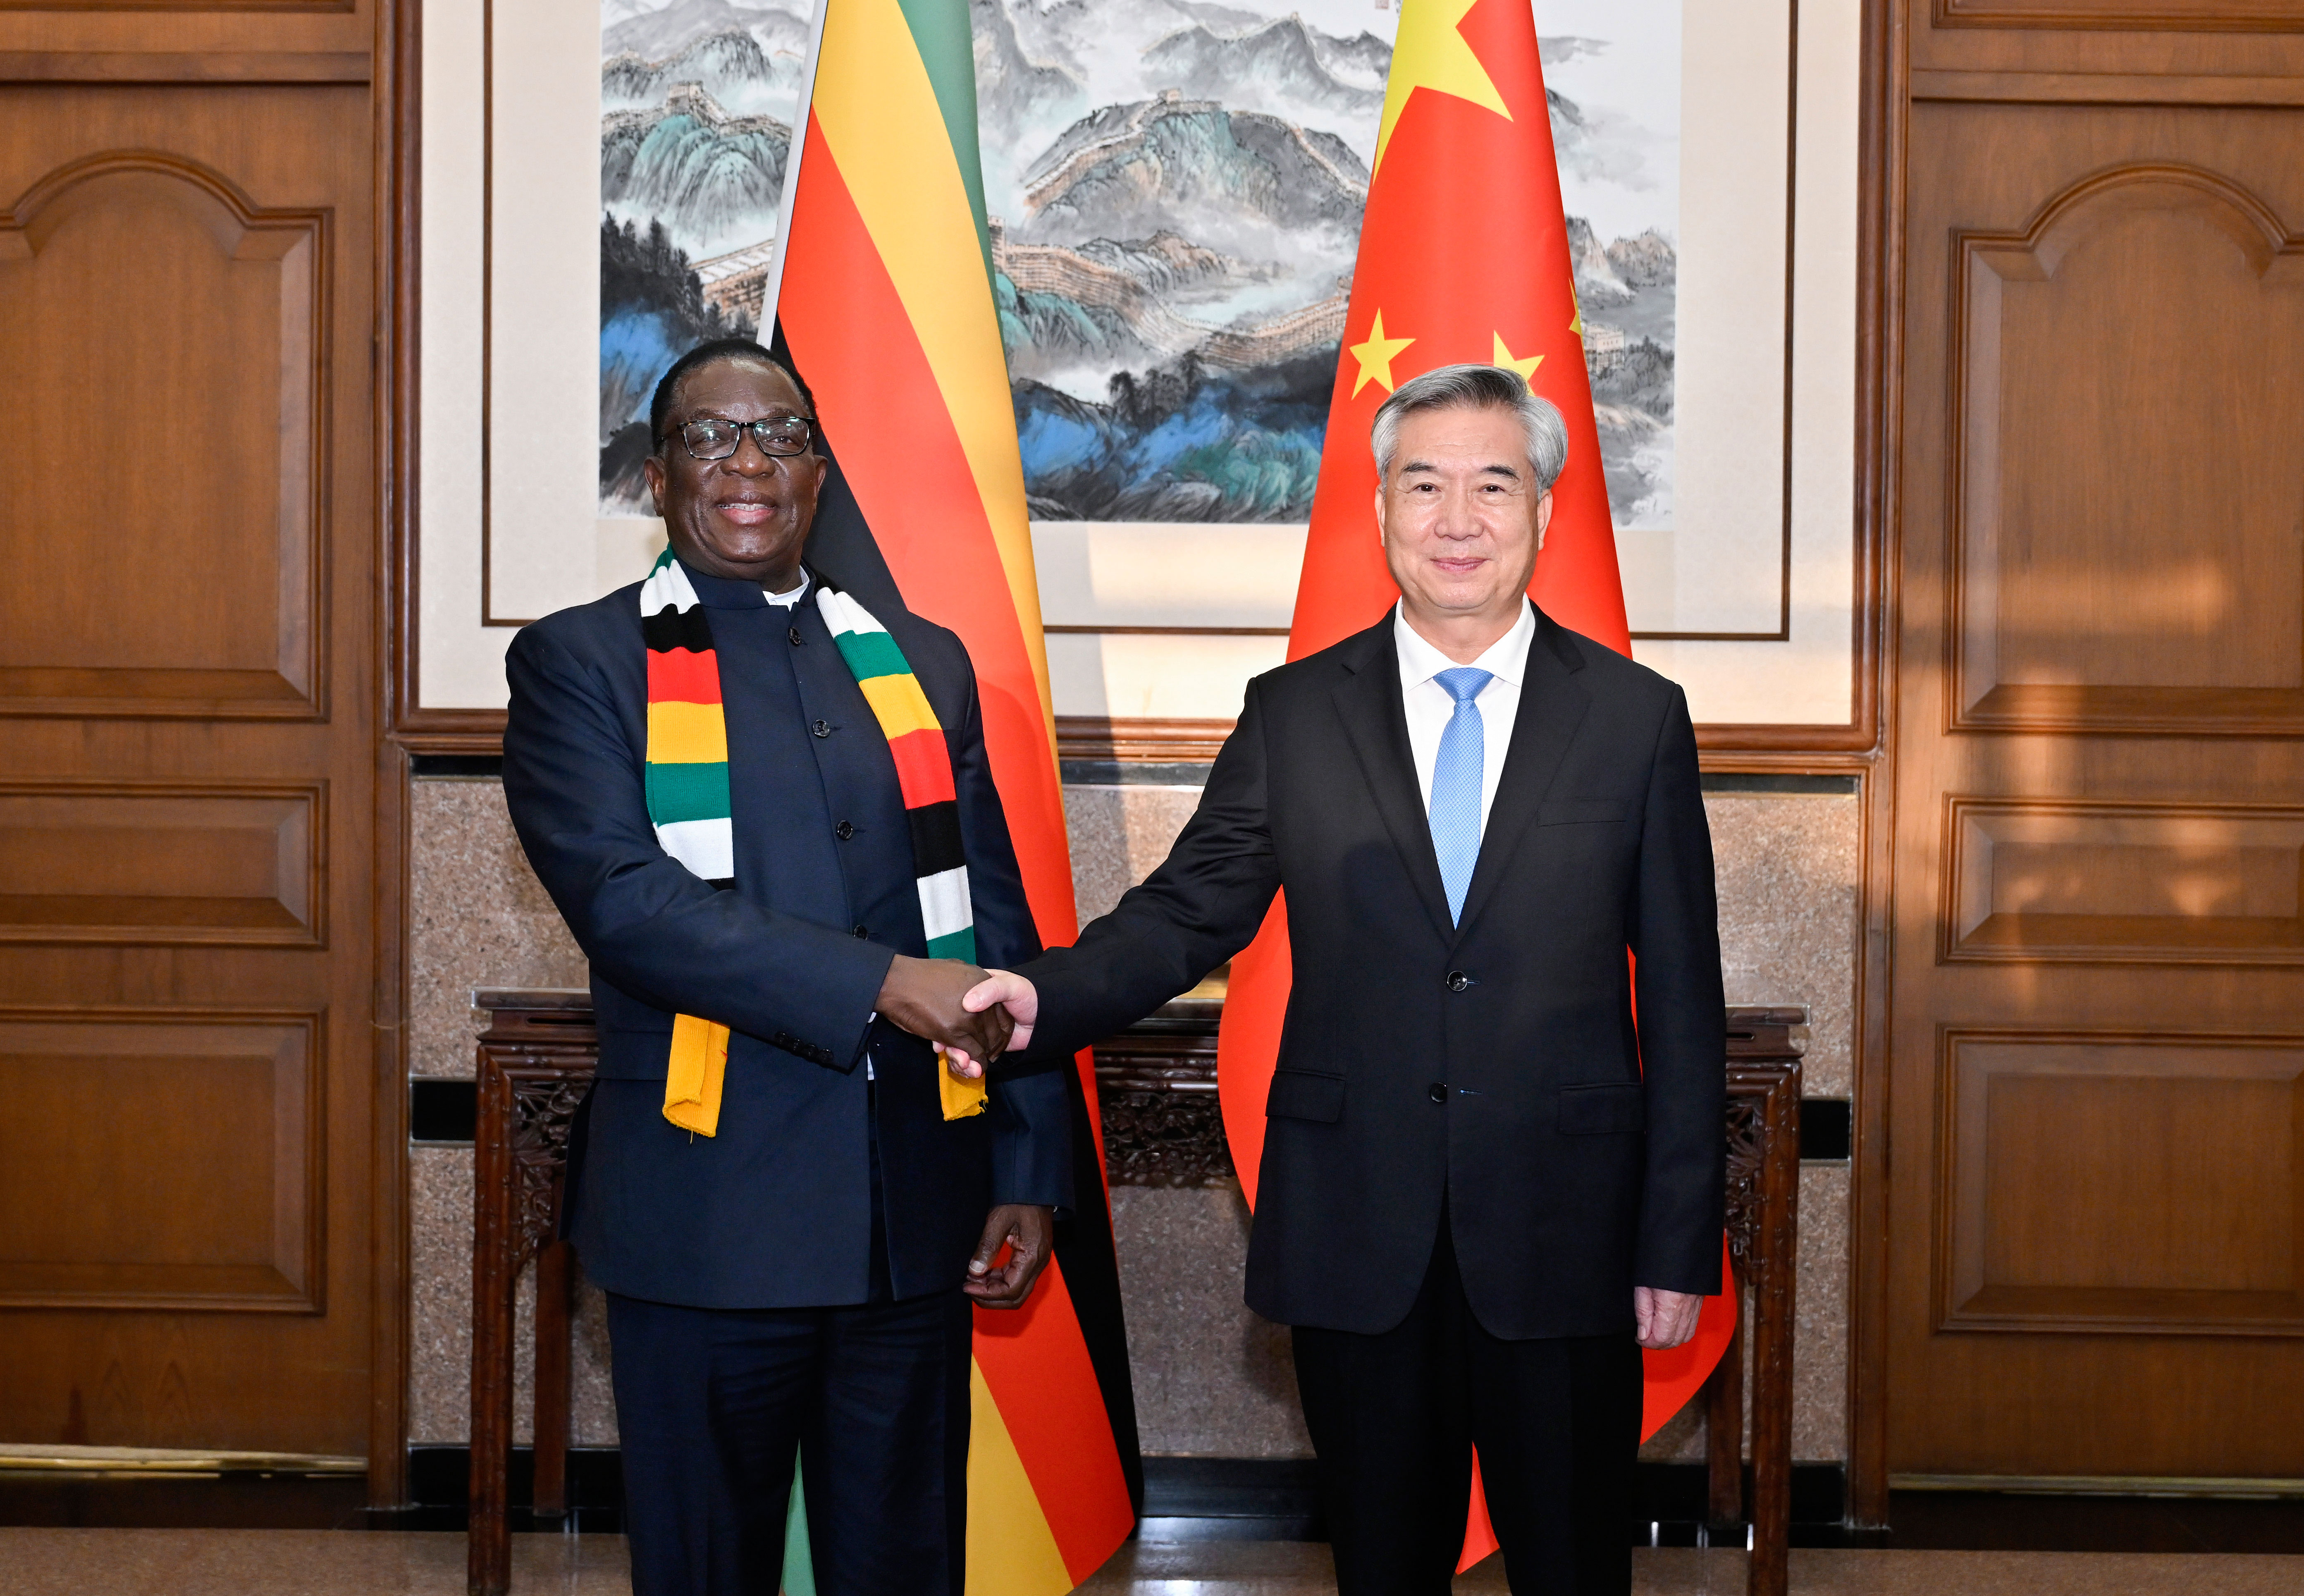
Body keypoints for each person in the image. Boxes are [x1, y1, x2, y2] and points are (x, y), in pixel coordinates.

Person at [958, 364, 1725, 1596]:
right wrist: (1044, 997)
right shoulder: (1298, 713)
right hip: (1359, 1227)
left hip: (1567, 1232)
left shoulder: (1636, 719)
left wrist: (1677, 1241)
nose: (1457, 520)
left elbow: (1685, 999)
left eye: (1493, 486)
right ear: (1380, 510)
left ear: (1542, 510)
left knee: (1575, 1569)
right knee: (1380, 1567)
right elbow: (1187, 911)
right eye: (1424, 486)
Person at [501, 337, 1070, 1596]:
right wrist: (882, 982)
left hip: (912, 1218)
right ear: (658, 477)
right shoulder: (581, 664)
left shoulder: (922, 659)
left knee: (904, 1568)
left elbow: (995, 926)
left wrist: (1024, 1165)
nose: (747, 461)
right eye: (710, 436)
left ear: (819, 472)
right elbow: (630, 906)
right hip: (710, 1218)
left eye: (780, 435)